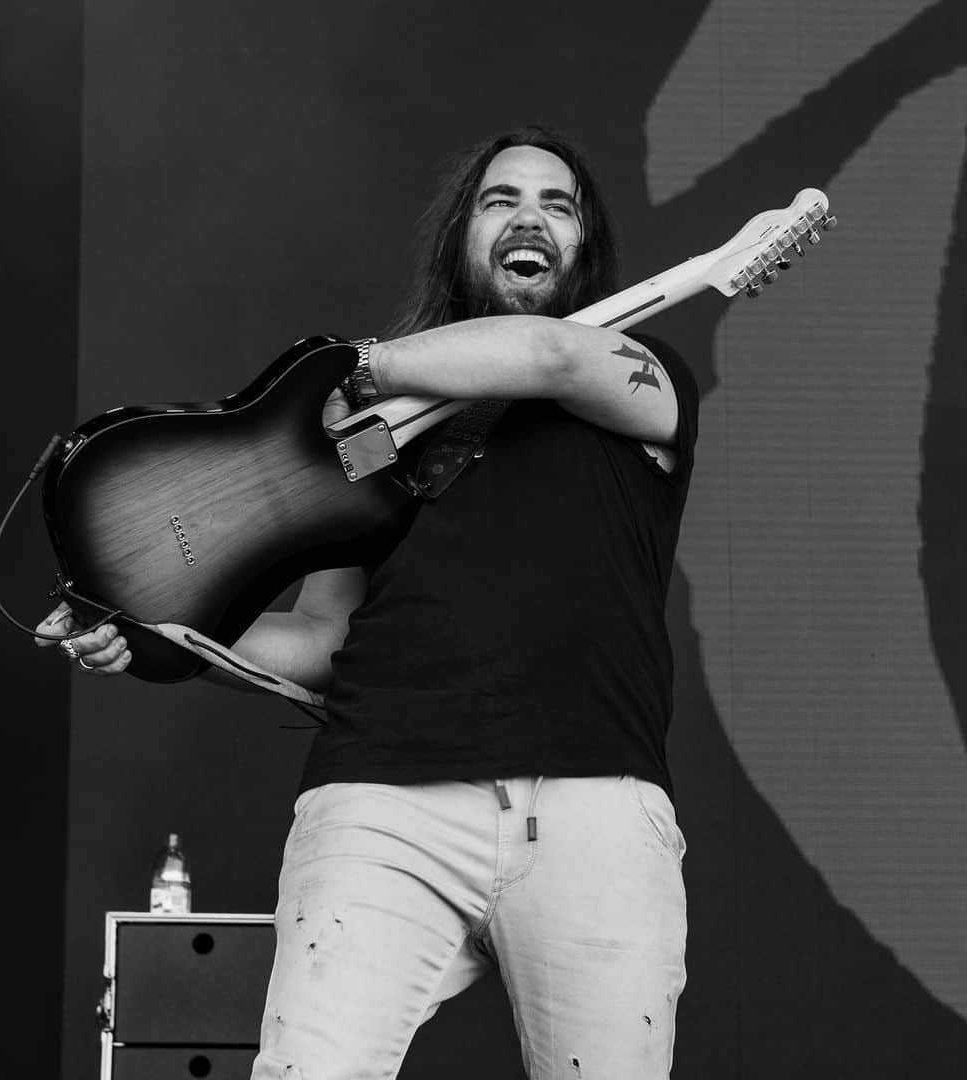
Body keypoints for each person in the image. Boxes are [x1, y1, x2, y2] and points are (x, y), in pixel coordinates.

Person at [37, 126, 699, 1079]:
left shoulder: (642, 383)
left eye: (558, 205)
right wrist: (151, 632)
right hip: (382, 795)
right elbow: (318, 639)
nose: (531, 219)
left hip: (592, 801)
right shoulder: (368, 444)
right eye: (500, 199)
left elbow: (553, 358)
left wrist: (361, 364)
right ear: (461, 236)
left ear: (584, 247)